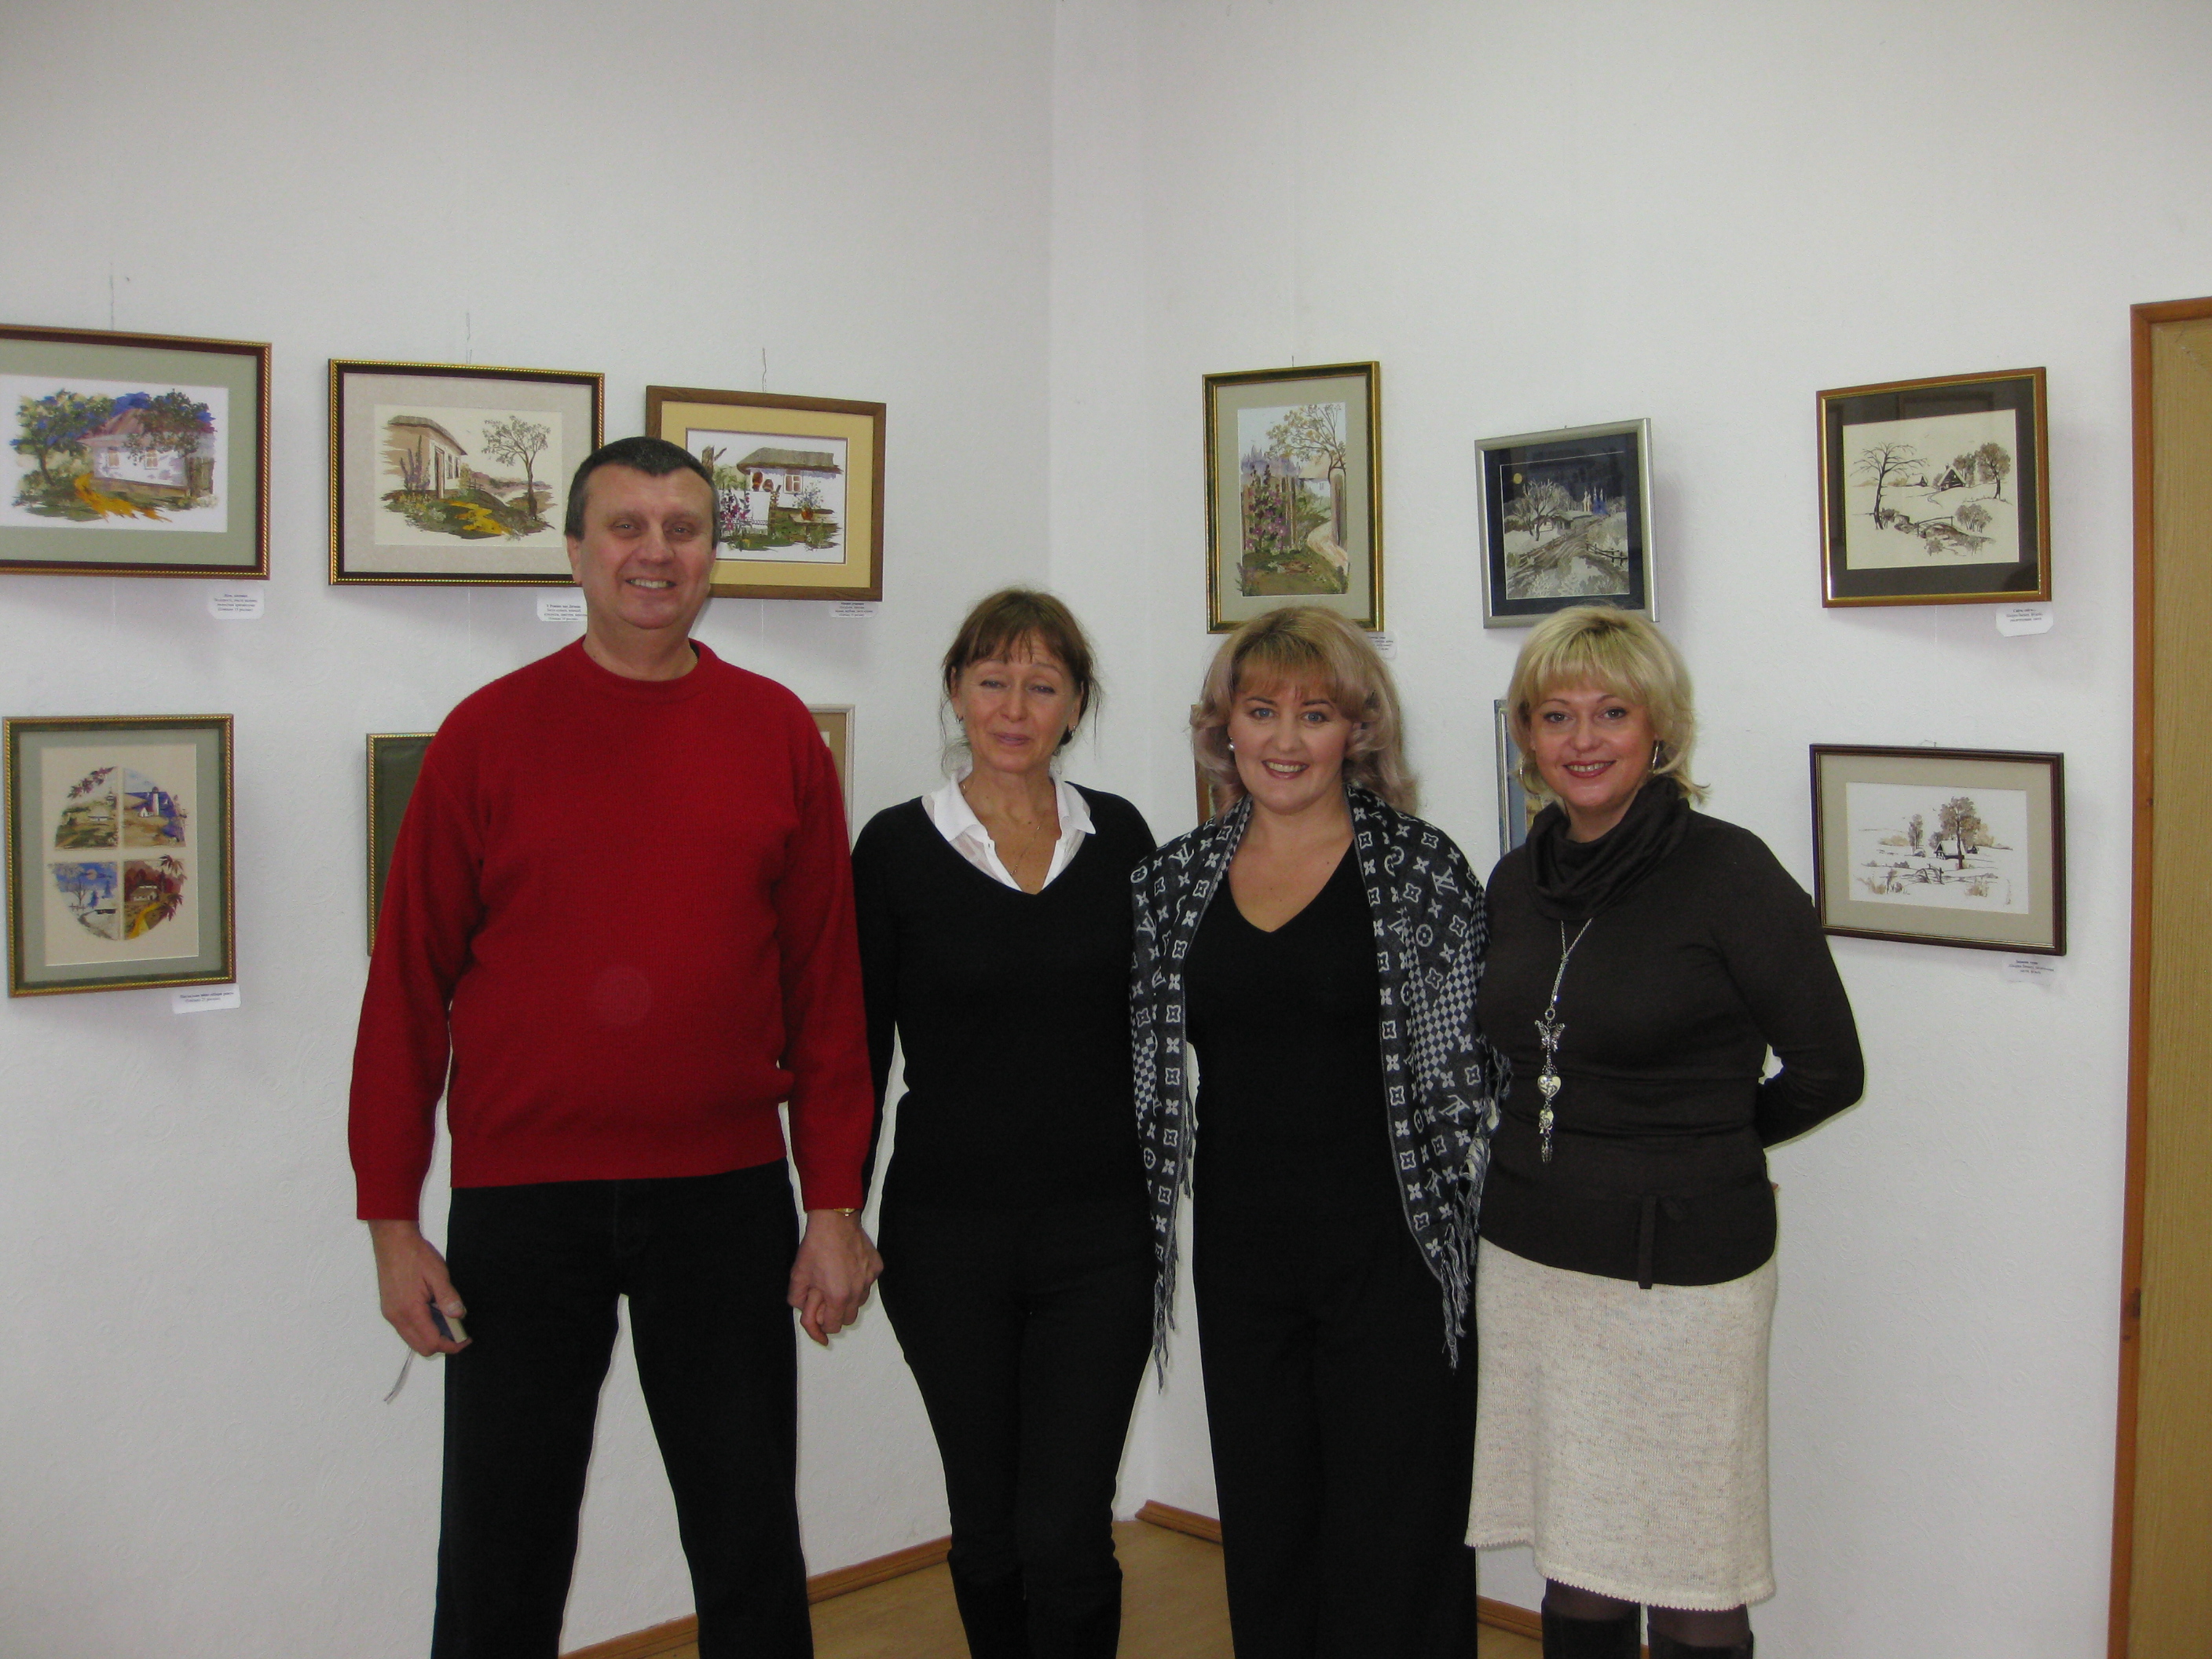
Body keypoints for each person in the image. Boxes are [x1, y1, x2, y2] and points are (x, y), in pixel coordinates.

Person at [350, 434, 880, 1659]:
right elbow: (407, 990)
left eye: (683, 529)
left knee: (748, 1539)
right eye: (627, 527)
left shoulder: (775, 733)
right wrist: (390, 1220)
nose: (656, 553)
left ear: (712, 555)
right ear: (577, 551)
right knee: (502, 1544)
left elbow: (826, 994)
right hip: (523, 1202)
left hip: (725, 1197)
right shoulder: (487, 735)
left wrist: (834, 1204)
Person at [1467, 606, 1864, 1659]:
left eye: (1612, 712)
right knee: (1578, 1560)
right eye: (1556, 714)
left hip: (1682, 1277)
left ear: (1660, 730)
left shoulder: (1730, 874)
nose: (1582, 739)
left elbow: (1830, 1070)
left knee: (1693, 1575)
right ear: (1527, 736)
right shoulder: (1516, 880)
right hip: (1534, 1260)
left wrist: (1712, 1148)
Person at [1130, 606, 1506, 1657]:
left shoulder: (1423, 872)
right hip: (1245, 1252)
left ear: (1358, 729)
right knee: (1269, 1525)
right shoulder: (1173, 882)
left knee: (1401, 1531)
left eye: (1315, 714)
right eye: (1261, 712)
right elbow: (1137, 1073)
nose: (1285, 740)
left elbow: (1474, 1076)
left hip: (1395, 1251)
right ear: (1225, 727)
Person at [851, 590, 1155, 1659]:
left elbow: (1166, 1021)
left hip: (1102, 1238)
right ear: (956, 692)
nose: (1015, 709)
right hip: (949, 1240)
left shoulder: (1121, 837)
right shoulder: (894, 848)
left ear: (1075, 703)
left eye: (1042, 685)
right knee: (987, 1526)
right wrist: (835, 1213)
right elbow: (859, 1051)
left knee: (1067, 1530)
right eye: (993, 682)